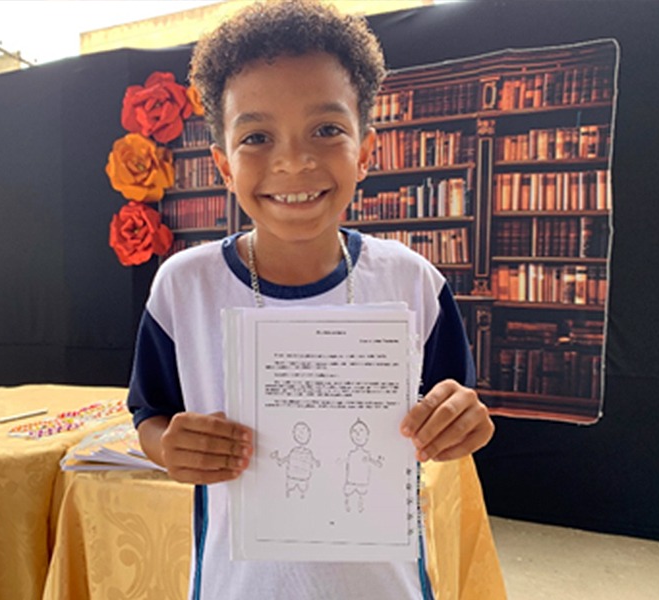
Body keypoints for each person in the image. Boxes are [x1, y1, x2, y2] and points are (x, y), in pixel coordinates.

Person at [127, 1, 495, 598]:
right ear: (223, 165)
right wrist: (169, 448)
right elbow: (151, 415)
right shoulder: (183, 287)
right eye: (256, 137)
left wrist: (462, 423)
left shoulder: (414, 283)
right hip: (238, 587)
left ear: (365, 152)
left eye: (326, 130)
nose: (293, 161)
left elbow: (456, 407)